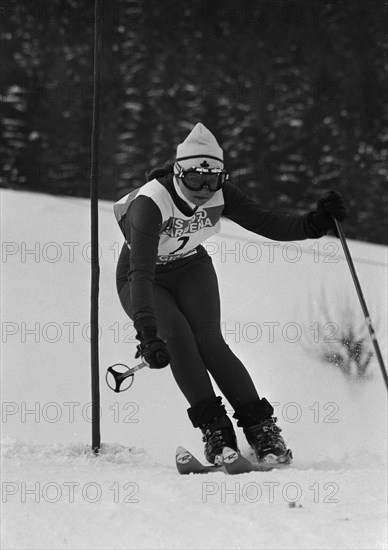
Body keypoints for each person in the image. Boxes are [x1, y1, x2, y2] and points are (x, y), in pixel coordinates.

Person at [114, 122, 347, 466]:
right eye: (195, 178)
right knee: (177, 337)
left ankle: (262, 429)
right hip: (143, 278)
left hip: (191, 267)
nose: (204, 188)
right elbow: (142, 273)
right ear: (178, 172)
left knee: (211, 341)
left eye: (213, 179)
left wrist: (313, 224)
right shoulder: (151, 204)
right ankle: (216, 431)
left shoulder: (221, 193)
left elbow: (267, 222)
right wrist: (148, 332)